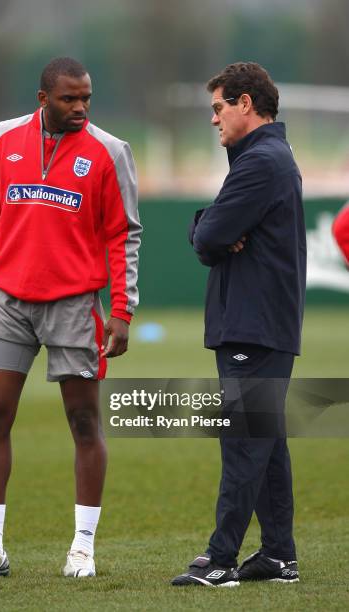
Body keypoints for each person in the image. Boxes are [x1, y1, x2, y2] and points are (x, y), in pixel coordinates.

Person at [0, 57, 141, 579]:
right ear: (43, 99)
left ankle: (82, 547)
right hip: (8, 302)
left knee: (84, 422)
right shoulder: (3, 138)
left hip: (74, 305)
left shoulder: (110, 151)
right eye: (69, 99)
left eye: (86, 97)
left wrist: (122, 312)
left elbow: (123, 235)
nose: (80, 107)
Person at [172, 62, 306, 587]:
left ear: (246, 103)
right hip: (261, 322)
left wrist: (206, 226)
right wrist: (210, 226)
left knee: (245, 441)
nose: (214, 119)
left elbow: (209, 238)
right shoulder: (268, 157)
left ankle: (222, 559)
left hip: (254, 323)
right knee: (265, 441)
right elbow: (213, 234)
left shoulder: (262, 162)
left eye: (219, 106)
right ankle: (278, 555)